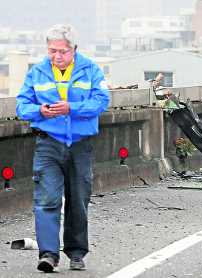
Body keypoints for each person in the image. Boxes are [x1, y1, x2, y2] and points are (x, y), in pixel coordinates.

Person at [16, 24, 109, 273]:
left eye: (62, 51)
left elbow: (102, 101)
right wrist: (40, 111)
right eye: (52, 51)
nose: (57, 56)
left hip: (80, 145)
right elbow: (22, 105)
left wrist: (72, 108)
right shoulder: (37, 72)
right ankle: (48, 254)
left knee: (78, 200)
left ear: (74, 50)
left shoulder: (90, 70)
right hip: (48, 143)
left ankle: (76, 253)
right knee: (46, 200)